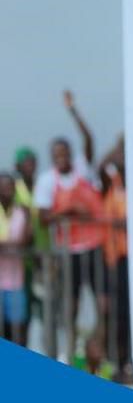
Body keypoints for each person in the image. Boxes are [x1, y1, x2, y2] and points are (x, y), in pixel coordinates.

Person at [34, 91, 105, 361]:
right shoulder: (46, 181)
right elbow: (42, 217)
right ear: (52, 157)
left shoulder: (82, 169)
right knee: (71, 306)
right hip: (68, 251)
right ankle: (71, 351)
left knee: (102, 304)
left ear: (70, 154)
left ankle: (99, 353)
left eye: (65, 153)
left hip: (93, 247)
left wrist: (74, 111)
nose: (61, 157)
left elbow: (89, 139)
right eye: (56, 154)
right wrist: (69, 211)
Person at [98, 134, 133, 383]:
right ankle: (120, 362)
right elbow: (101, 166)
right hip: (117, 260)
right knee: (118, 315)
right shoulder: (112, 185)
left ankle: (132, 361)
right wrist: (118, 145)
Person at [13, 147, 48, 332]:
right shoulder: (12, 189)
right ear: (17, 166)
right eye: (26, 162)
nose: (30, 165)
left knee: (47, 312)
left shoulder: (42, 185)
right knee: (23, 315)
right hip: (21, 263)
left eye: (32, 161)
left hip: (44, 257)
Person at [0, 171, 31, 345]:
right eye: (3, 186)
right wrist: (13, 244)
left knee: (18, 330)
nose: (7, 190)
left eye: (10, 186)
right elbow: (16, 243)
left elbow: (25, 242)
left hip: (15, 282)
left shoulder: (22, 213)